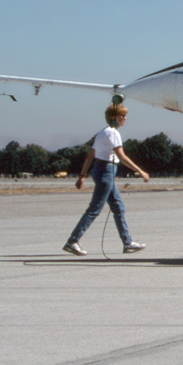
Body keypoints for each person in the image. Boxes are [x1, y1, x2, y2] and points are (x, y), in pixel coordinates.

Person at [64, 103, 149, 256]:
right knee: (95, 208)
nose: (125, 118)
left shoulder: (102, 133)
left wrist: (82, 176)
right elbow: (122, 157)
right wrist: (141, 171)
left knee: (118, 207)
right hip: (106, 171)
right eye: (122, 115)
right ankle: (72, 241)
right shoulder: (113, 133)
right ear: (113, 117)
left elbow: (90, 156)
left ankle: (127, 242)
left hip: (100, 170)